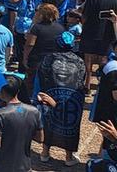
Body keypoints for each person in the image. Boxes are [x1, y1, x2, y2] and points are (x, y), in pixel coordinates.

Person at [34, 31, 87, 165]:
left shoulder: (48, 58)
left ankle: (45, 153)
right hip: (71, 100)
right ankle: (69, 157)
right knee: (71, 125)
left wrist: (39, 95)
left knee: (49, 122)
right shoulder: (79, 61)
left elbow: (41, 77)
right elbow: (81, 82)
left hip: (50, 95)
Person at [0, 78, 44, 172]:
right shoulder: (34, 111)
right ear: (17, 91)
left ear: (1, 92)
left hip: (4, 164)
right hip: (24, 164)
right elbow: (40, 139)